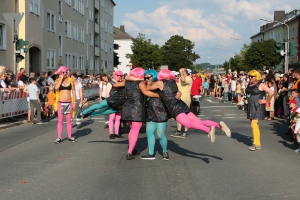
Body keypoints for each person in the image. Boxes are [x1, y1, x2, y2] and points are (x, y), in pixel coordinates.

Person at [146, 69, 231, 143]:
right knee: (199, 121)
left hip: (174, 108)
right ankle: (218, 125)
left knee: (189, 124)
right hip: (181, 104)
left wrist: (148, 81)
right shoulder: (172, 82)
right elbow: (176, 92)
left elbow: (147, 88)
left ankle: (208, 130)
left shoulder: (160, 83)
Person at [141, 69, 170, 160]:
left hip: (161, 113)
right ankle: (151, 153)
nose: (146, 79)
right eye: (145, 77)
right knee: (149, 133)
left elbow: (171, 92)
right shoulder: (144, 86)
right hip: (150, 113)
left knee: (160, 135)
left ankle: (165, 151)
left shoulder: (159, 84)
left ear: (154, 76)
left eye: (148, 77)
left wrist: (178, 92)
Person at [245, 70, 274, 151]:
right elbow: (248, 93)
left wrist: (266, 101)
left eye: (252, 76)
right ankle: (257, 143)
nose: (250, 78)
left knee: (254, 124)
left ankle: (256, 143)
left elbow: (271, 92)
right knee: (254, 125)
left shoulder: (260, 85)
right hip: (251, 105)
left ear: (256, 77)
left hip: (257, 106)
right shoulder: (249, 84)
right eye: (249, 76)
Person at [54, 66, 77, 143]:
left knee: (69, 121)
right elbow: (56, 88)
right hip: (60, 102)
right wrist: (61, 78)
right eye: (63, 72)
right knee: (60, 121)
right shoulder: (57, 81)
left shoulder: (71, 81)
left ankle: (70, 137)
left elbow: (73, 92)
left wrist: (74, 102)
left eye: (66, 72)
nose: (65, 74)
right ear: (60, 72)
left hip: (69, 102)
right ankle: (59, 137)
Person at [172, 68, 192, 138]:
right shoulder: (180, 81)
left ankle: (185, 132)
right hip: (179, 99)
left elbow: (184, 81)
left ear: (185, 72)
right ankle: (179, 131)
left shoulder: (188, 78)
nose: (180, 73)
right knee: (179, 115)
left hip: (185, 99)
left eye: (182, 72)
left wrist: (181, 72)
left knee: (186, 115)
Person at [106, 70, 124, 139]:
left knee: (118, 118)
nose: (119, 77)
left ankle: (117, 133)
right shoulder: (110, 83)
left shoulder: (120, 83)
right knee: (112, 117)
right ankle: (111, 133)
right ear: (115, 75)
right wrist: (109, 102)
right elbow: (107, 93)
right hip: (112, 102)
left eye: (120, 76)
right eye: (118, 75)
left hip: (119, 103)